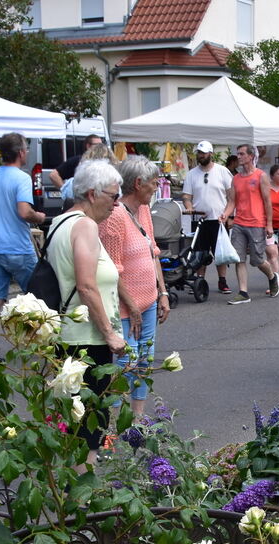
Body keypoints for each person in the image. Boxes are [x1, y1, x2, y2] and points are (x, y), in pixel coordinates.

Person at [48, 159, 127, 465]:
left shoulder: (59, 222)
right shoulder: (85, 225)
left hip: (68, 335)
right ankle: (84, 498)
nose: (116, 204)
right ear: (93, 194)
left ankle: (73, 492)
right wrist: (109, 333)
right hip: (87, 340)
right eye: (113, 196)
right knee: (89, 427)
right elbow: (86, 284)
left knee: (74, 422)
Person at [99, 156, 171, 418]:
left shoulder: (143, 210)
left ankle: (138, 419)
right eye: (153, 183)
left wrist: (162, 293)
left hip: (149, 301)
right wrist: (131, 305)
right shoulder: (114, 217)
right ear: (138, 183)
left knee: (145, 359)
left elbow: (153, 253)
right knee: (124, 364)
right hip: (125, 306)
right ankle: (114, 424)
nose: (156, 187)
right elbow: (111, 269)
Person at [0, 132, 46, 358]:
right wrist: (40, 217)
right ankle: (40, 346)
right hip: (18, 247)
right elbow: (24, 212)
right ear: (20, 152)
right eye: (26, 149)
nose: (27, 152)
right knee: (36, 297)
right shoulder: (21, 177)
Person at [226, 144, 279, 305]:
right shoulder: (235, 178)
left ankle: (272, 276)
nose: (239, 157)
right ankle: (243, 292)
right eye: (238, 154)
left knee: (257, 260)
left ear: (250, 156)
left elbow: (267, 202)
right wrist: (225, 214)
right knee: (238, 258)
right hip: (239, 223)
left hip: (257, 223)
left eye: (242, 154)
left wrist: (269, 225)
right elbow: (232, 201)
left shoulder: (260, 176)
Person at [181, 141, 234, 294]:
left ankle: (222, 281)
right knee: (199, 251)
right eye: (199, 153)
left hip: (218, 218)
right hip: (199, 220)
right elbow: (186, 196)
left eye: (203, 153)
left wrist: (229, 215)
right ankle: (199, 281)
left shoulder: (222, 171)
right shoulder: (192, 174)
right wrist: (189, 207)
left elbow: (231, 196)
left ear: (210, 153)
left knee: (220, 251)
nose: (201, 155)